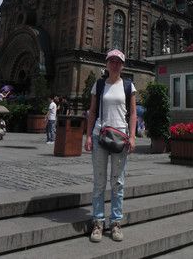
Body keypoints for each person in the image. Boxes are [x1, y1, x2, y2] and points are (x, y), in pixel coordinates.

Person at [84, 49, 137, 243]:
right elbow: (92, 112)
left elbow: (132, 114)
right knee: (99, 182)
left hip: (120, 138)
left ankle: (115, 222)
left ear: (122, 65)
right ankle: (98, 221)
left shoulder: (128, 86)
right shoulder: (98, 85)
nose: (114, 64)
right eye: (111, 61)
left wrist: (132, 136)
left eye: (118, 62)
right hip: (100, 136)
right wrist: (88, 136)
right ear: (106, 64)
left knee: (118, 182)